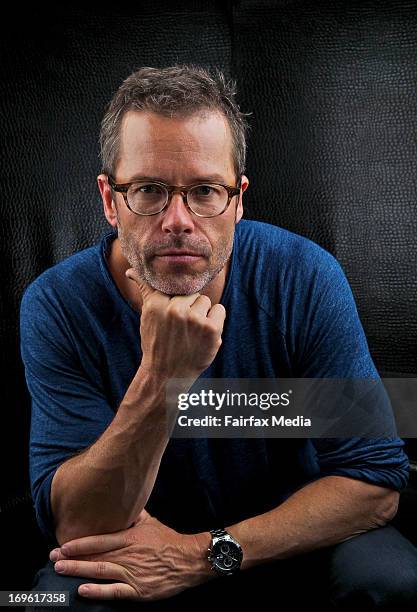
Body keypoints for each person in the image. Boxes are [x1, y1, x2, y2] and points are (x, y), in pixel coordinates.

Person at [20, 65, 417, 610]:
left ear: (238, 199)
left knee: (393, 578)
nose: (177, 220)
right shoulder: (57, 305)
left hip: (285, 545)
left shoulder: (304, 277)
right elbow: (78, 524)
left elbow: (375, 479)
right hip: (134, 554)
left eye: (205, 190)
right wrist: (163, 376)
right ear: (111, 201)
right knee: (49, 603)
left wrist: (203, 556)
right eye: (149, 191)